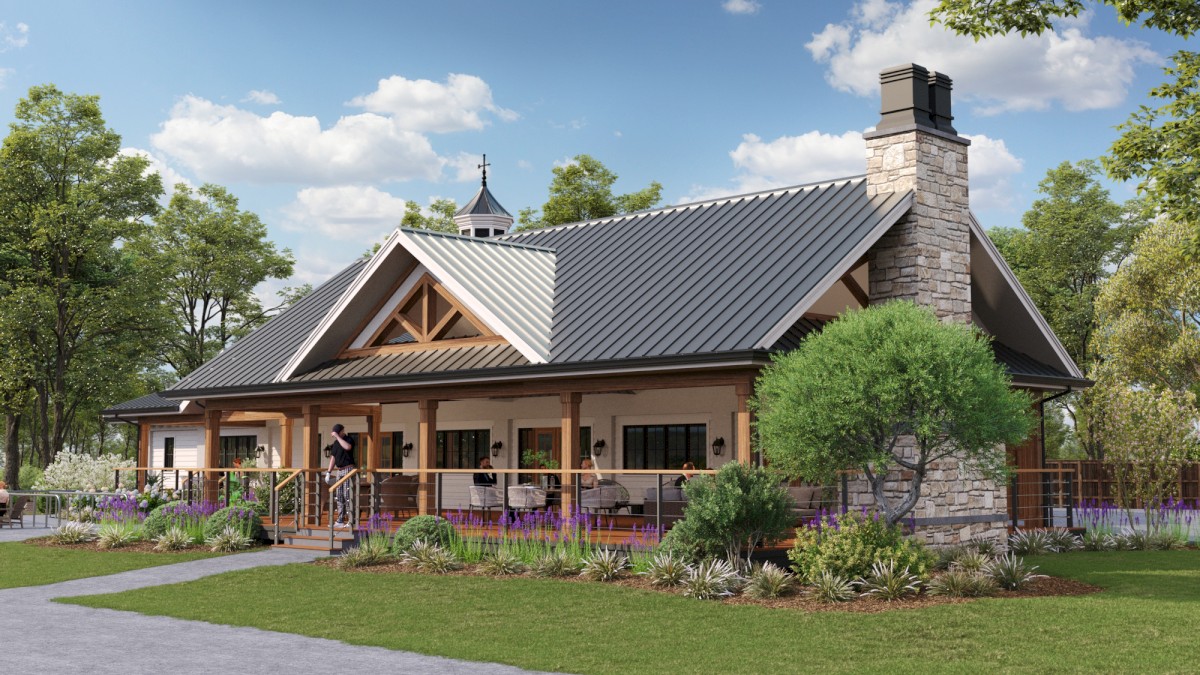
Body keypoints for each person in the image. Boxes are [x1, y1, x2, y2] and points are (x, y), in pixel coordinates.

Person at [326, 423, 356, 528]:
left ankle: (351, 521)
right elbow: (333, 458)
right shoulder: (335, 443)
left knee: (347, 495)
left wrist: (338, 437)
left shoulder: (348, 439)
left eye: (339, 432)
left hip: (348, 469)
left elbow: (347, 447)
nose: (342, 432)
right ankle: (340, 520)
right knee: (339, 495)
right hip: (339, 471)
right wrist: (329, 472)